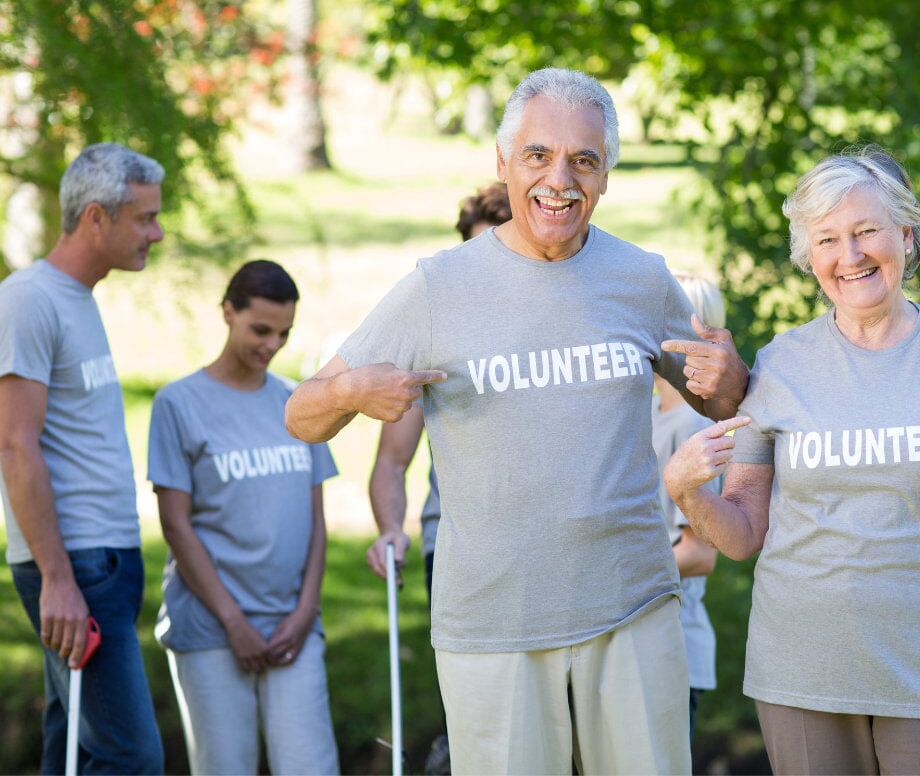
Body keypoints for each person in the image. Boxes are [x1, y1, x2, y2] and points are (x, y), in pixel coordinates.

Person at [285, 67, 749, 774]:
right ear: (503, 164)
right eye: (537, 155)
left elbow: (718, 397)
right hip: (493, 627)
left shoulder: (641, 278)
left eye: (583, 160)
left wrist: (731, 378)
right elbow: (301, 416)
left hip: (632, 609)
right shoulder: (437, 288)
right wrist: (350, 390)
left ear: (604, 177)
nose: (559, 179)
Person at [664, 147, 920, 776]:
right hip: (803, 672)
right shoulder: (780, 364)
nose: (849, 256)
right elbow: (743, 533)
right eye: (827, 239)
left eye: (866, 232)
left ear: (906, 237)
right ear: (809, 258)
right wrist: (691, 493)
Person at [0, 142, 166, 774]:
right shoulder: (28, 300)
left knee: (68, 745)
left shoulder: (79, 299)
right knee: (129, 757)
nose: (157, 231)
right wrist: (59, 579)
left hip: (104, 559)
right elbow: (15, 444)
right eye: (144, 218)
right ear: (96, 218)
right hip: (77, 565)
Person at [147, 260, 339, 775]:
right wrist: (232, 622)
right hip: (211, 629)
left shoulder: (299, 401)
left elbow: (317, 520)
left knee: (311, 766)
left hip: (292, 628)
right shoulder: (178, 403)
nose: (272, 344)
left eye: (284, 333)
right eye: (260, 329)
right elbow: (175, 525)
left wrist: (305, 612)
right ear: (227, 312)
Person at [367, 181, 512, 775]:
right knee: (481, 711)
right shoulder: (437, 337)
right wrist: (388, 528)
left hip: (550, 547)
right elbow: (389, 462)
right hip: (452, 545)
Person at [651, 273, 722, 741]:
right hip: (632, 646)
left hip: (672, 651)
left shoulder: (692, 428)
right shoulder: (644, 416)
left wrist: (606, 573)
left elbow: (700, 554)